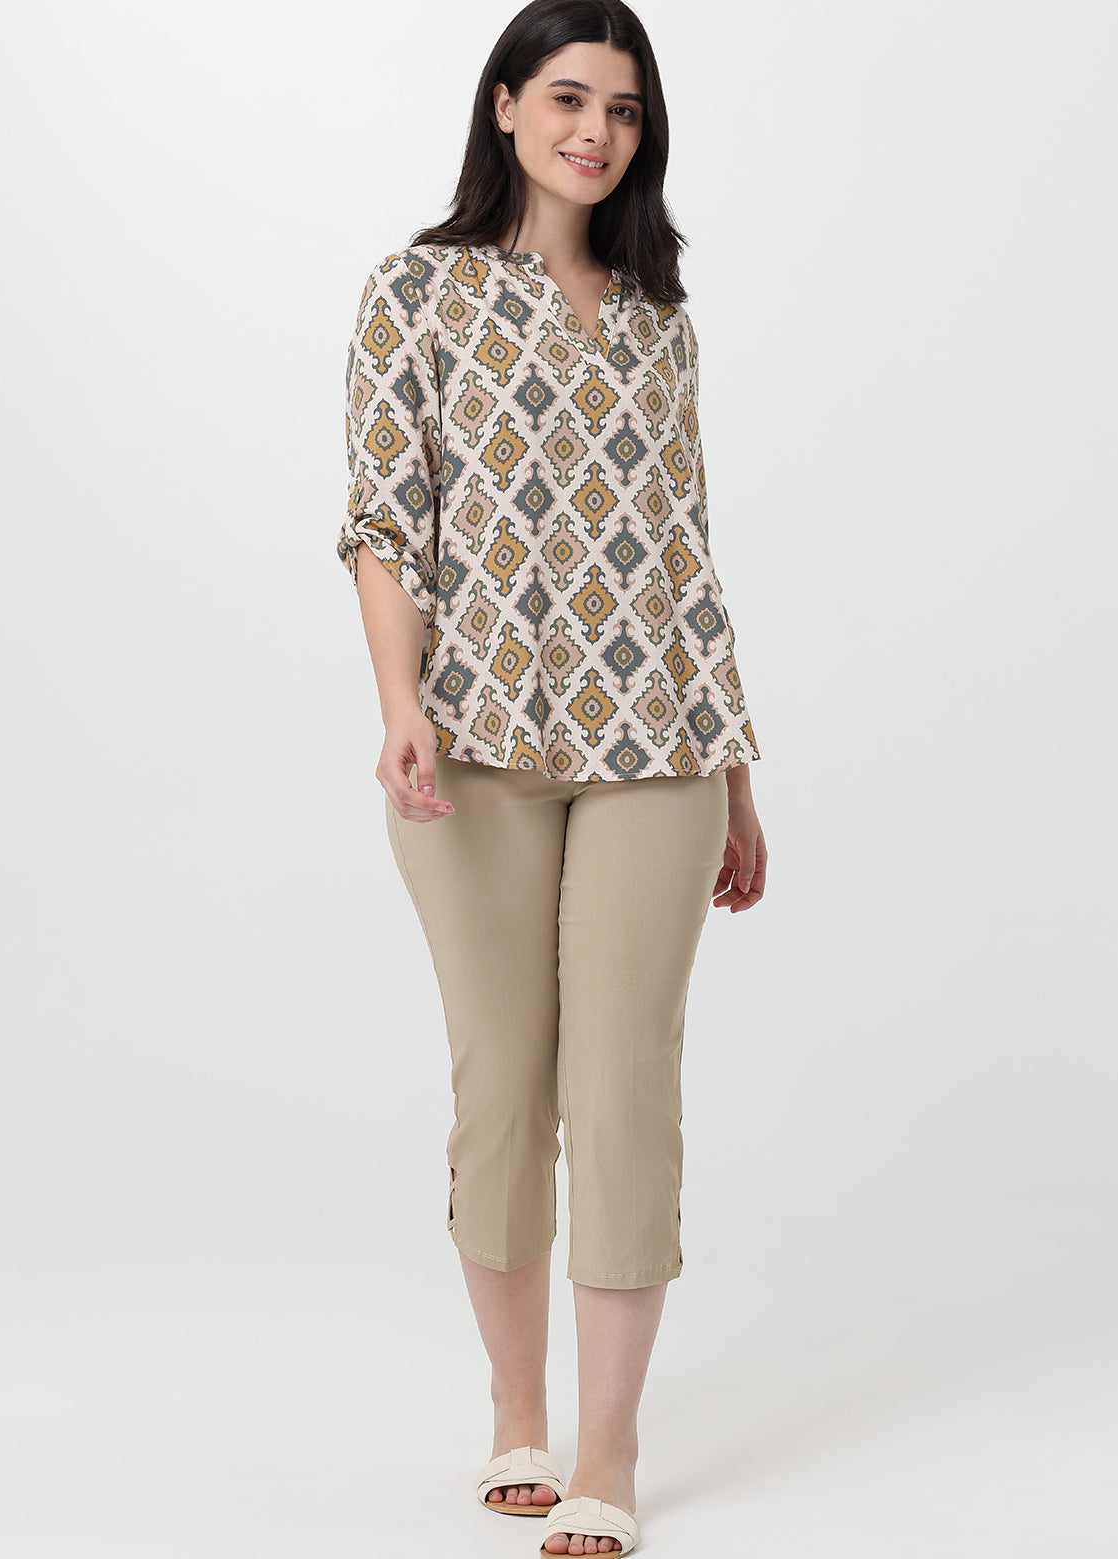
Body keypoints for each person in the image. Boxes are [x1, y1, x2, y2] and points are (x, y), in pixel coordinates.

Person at [337, 2, 767, 1552]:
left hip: (659, 745)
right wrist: (400, 702)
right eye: (571, 98)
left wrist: (736, 776)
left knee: (624, 1084)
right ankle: (516, 1413)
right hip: (470, 749)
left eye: (626, 110)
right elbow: (383, 517)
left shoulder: (659, 316)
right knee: (503, 1088)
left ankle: (611, 1449)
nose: (598, 132)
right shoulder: (417, 290)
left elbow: (686, 551)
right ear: (507, 105)